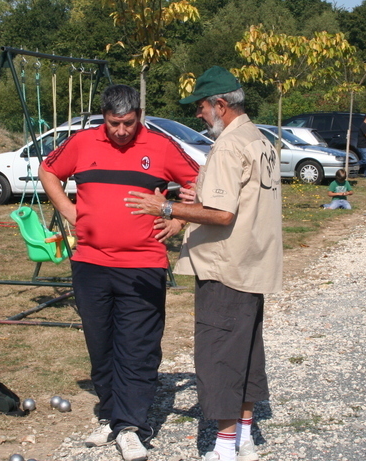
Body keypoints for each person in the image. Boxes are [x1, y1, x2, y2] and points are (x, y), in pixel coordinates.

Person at [124, 66, 283, 461]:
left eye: (201, 106)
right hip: (252, 262)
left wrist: (165, 206)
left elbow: (222, 213)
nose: (198, 114)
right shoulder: (258, 138)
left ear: (221, 104)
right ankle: (244, 437)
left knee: (219, 354)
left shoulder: (229, 146)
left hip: (225, 268)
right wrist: (186, 212)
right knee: (246, 351)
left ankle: (224, 447)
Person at [38, 84, 200, 461]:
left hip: (142, 267)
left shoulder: (160, 146)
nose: (122, 131)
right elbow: (48, 170)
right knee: (102, 345)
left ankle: (131, 427)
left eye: (129, 123)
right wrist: (68, 209)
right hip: (91, 265)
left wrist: (175, 218)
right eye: (115, 124)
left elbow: (199, 181)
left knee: (138, 348)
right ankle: (112, 415)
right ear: (104, 118)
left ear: (139, 117)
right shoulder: (81, 142)